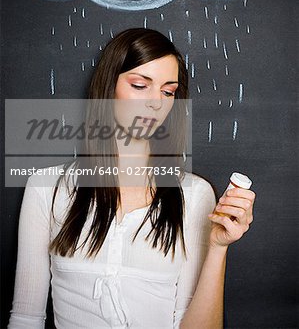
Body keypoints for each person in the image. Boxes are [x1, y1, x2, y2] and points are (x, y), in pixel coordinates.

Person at [8, 28, 255, 329]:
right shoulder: (47, 187)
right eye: (140, 85)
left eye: (168, 91)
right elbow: (26, 319)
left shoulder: (194, 194)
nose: (156, 102)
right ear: (108, 87)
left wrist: (218, 247)